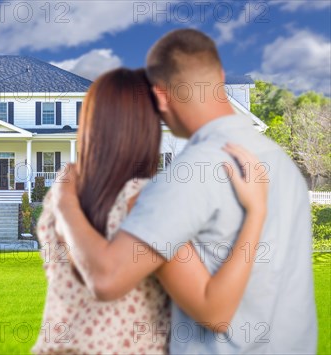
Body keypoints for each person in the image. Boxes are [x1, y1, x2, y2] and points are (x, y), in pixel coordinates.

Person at [47, 29, 317, 354]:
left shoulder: (189, 176)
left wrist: (64, 203)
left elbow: (107, 278)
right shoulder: (282, 164)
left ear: (160, 97)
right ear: (218, 76)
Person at [32, 67, 269, 354]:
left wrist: (63, 202)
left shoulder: (62, 198)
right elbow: (214, 312)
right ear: (147, 126)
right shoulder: (145, 200)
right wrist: (256, 211)